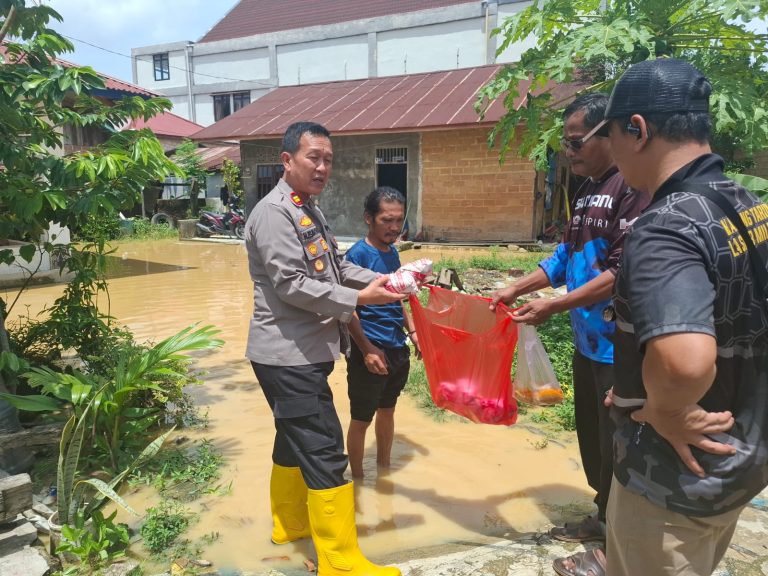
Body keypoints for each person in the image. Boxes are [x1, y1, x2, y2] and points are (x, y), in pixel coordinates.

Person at [578, 58, 766, 576]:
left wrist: (666, 408)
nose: (610, 152)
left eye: (610, 135)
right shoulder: (748, 204)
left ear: (637, 129)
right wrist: (640, 388)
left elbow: (684, 363)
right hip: (740, 461)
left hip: (672, 482)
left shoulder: (664, 226)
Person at [245, 121, 403, 576]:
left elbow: (334, 266)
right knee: (326, 449)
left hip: (302, 352)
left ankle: (289, 525)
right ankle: (340, 562)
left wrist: (383, 281)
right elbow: (292, 284)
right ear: (288, 160)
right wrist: (360, 298)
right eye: (313, 157)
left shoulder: (306, 208)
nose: (322, 167)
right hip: (286, 355)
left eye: (328, 159)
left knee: (293, 441)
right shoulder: (276, 213)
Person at [491, 93, 649, 544]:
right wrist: (515, 288)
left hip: (617, 346)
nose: (568, 151)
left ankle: (617, 541)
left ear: (609, 135)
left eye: (576, 142)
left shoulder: (630, 189)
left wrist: (554, 306)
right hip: (586, 344)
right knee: (594, 441)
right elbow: (564, 257)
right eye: (565, 142)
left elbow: (623, 273)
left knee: (620, 443)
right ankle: (602, 520)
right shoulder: (585, 191)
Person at [344, 186, 420, 478]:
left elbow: (398, 298)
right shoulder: (356, 256)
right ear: (368, 218)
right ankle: (359, 480)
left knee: (387, 411)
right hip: (370, 348)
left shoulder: (392, 255)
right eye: (386, 220)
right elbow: (347, 307)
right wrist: (366, 350)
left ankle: (384, 470)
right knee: (361, 418)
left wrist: (412, 332)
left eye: (398, 220)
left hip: (395, 347)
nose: (393, 227)